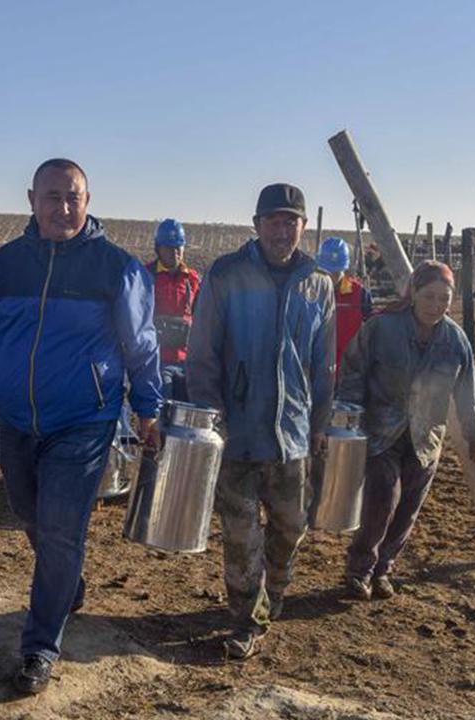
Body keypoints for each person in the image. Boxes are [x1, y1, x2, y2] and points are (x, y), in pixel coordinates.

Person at [0, 158, 161, 695]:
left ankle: (39, 646)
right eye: (52, 197)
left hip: (84, 421)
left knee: (62, 529)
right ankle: (68, 582)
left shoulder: (116, 268)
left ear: (88, 200)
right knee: (29, 514)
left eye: (73, 197)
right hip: (16, 419)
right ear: (31, 199)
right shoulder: (3, 267)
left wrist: (148, 406)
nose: (63, 208)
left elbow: (141, 345)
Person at [187, 182, 335, 660]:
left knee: (290, 528)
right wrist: (212, 415)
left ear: (303, 227)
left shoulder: (318, 283)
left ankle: (273, 597)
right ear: (256, 225)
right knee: (239, 535)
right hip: (237, 432)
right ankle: (247, 619)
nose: (281, 230)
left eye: (291, 221)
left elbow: (324, 363)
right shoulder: (227, 274)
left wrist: (319, 421)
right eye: (273, 220)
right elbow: (202, 352)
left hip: (292, 435)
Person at [336, 261, 475, 601]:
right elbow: (353, 370)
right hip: (382, 431)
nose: (436, 305)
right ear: (414, 293)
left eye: (444, 299)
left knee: (408, 510)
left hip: (426, 437)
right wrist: (349, 416)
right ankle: (359, 569)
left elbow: (467, 393)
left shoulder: (455, 341)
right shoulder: (381, 328)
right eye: (429, 296)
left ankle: (383, 569)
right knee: (382, 501)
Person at [147, 218, 200, 402]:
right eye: (169, 248)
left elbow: (202, 317)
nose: (175, 253)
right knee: (161, 410)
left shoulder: (192, 279)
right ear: (158, 248)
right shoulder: (146, 275)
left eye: (178, 247)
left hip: (186, 361)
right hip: (157, 360)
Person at [316, 236, 373, 373]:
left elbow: (373, 330)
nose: (330, 276)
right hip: (318, 369)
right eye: (326, 272)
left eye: (335, 272)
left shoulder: (360, 294)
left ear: (344, 268)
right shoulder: (311, 292)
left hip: (350, 371)